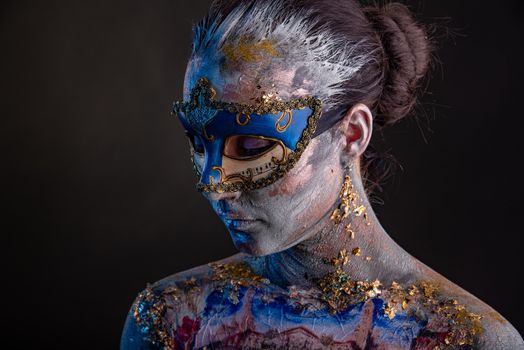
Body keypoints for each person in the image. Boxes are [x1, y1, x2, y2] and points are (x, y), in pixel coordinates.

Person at [121, 0, 523, 348]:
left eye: (252, 147)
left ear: (352, 133)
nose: (213, 185)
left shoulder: (466, 338)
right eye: (198, 143)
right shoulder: (172, 319)